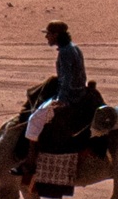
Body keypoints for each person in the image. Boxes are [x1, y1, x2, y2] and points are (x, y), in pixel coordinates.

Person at [17, 20, 88, 184]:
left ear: (56, 35)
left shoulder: (66, 52)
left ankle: (30, 162)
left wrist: (61, 100)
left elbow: (67, 78)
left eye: (48, 34)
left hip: (70, 97)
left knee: (34, 120)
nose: (46, 37)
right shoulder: (72, 48)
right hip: (76, 93)